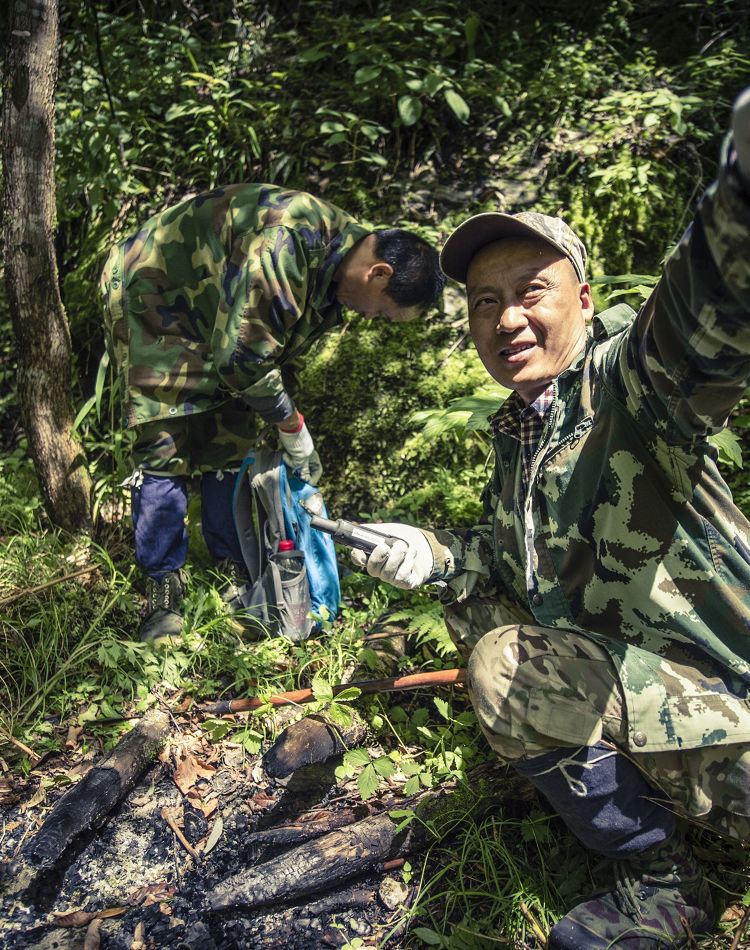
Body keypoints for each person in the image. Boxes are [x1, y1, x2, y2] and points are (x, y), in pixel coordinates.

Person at [350, 88, 750, 947]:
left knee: (504, 661)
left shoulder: (625, 388)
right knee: (484, 615)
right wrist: (429, 552)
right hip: (663, 702)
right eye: (484, 302)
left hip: (735, 715)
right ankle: (659, 861)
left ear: (583, 295)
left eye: (530, 290)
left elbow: (699, 317)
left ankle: (661, 884)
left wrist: (737, 198)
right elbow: (511, 569)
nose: (507, 319)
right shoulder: (524, 432)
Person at [100, 184, 444, 641]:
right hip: (154, 289)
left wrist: (282, 417)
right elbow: (243, 358)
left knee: (231, 436)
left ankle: (230, 575)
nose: (371, 319)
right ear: (378, 274)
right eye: (381, 313)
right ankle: (163, 593)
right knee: (168, 443)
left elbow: (271, 352)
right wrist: (290, 423)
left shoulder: (337, 270)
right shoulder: (289, 243)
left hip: (215, 315)